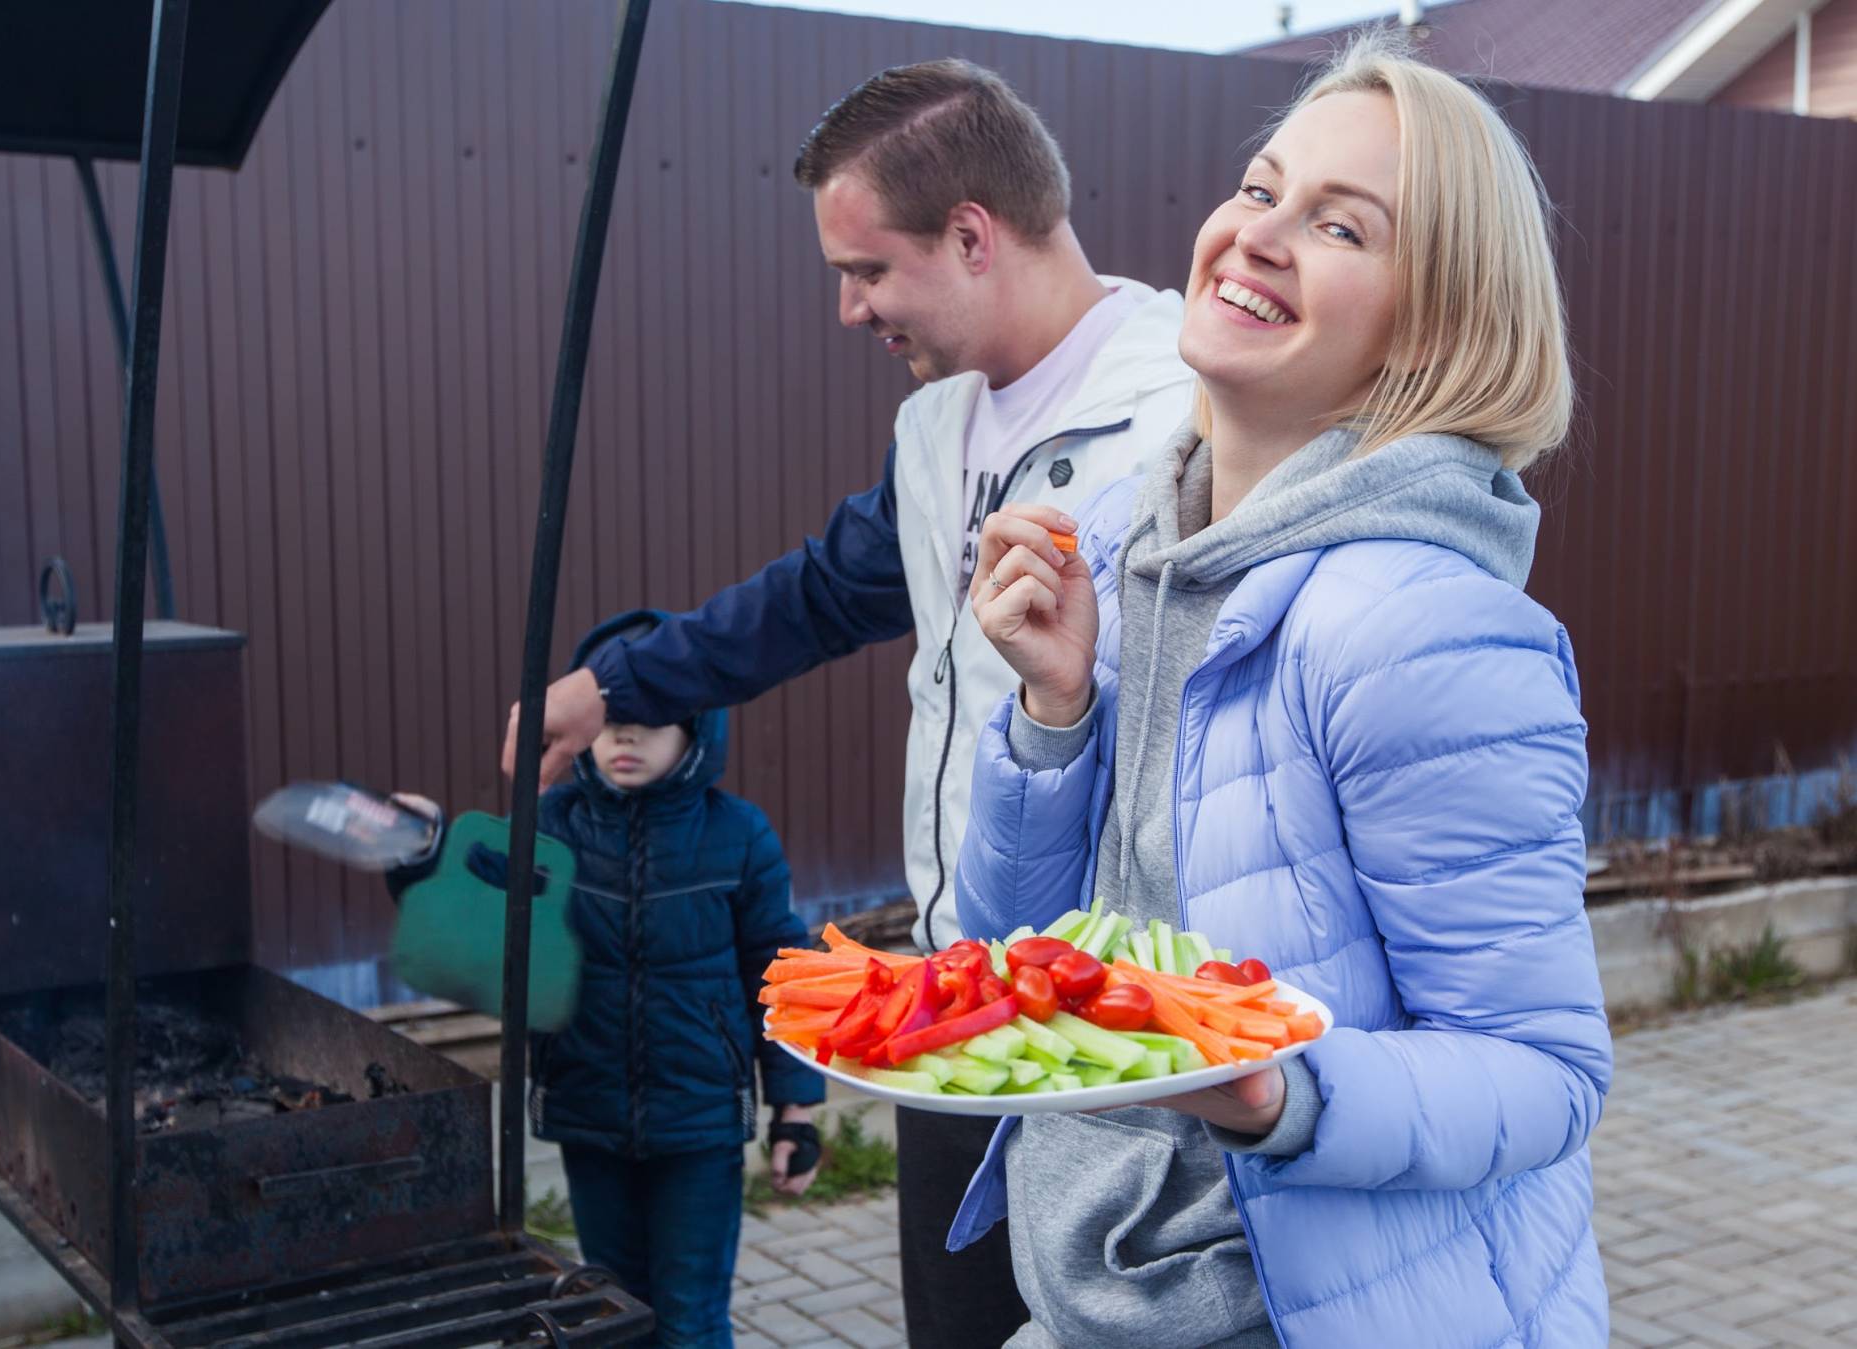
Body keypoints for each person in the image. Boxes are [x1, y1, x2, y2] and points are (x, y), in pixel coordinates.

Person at [503, 60, 1195, 1348]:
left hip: (1121, 1024)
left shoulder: (1179, 418)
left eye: (866, 269)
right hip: (956, 990)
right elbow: (823, 594)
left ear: (972, 236)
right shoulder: (937, 428)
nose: (845, 307)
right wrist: (606, 685)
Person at [953, 33, 1611, 1348]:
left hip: (1298, 1313)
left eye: (1340, 226)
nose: (1257, 235)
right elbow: (1014, 964)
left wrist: (1278, 1087)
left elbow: (1545, 1075)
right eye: (1261, 189)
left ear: (1433, 327)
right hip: (1098, 1300)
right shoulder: (1140, 556)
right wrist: (1054, 717)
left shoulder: (1419, 629)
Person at [402, 610, 824, 1349]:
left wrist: (796, 1108)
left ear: (696, 727)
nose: (624, 737)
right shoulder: (549, 824)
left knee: (690, 1317)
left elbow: (780, 971)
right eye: (609, 721)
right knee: (608, 1309)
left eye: (650, 718)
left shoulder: (739, 834)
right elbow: (479, 907)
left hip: (699, 1124)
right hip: (588, 1109)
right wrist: (419, 848)